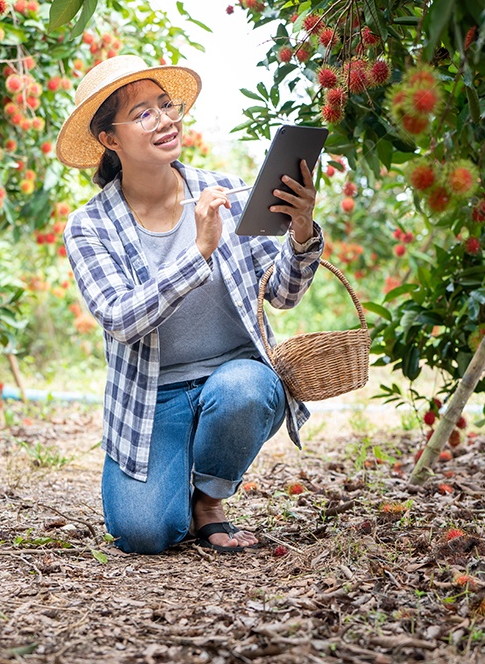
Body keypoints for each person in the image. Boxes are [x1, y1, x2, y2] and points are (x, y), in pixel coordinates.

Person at [55, 55, 325, 554]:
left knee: (245, 389)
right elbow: (121, 318)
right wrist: (198, 251)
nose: (165, 120)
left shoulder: (223, 193)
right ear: (110, 140)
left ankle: (208, 499)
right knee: (142, 533)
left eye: (167, 105)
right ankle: (175, 467)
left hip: (233, 379)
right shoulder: (90, 226)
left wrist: (302, 232)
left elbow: (282, 294)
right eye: (143, 114)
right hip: (151, 398)